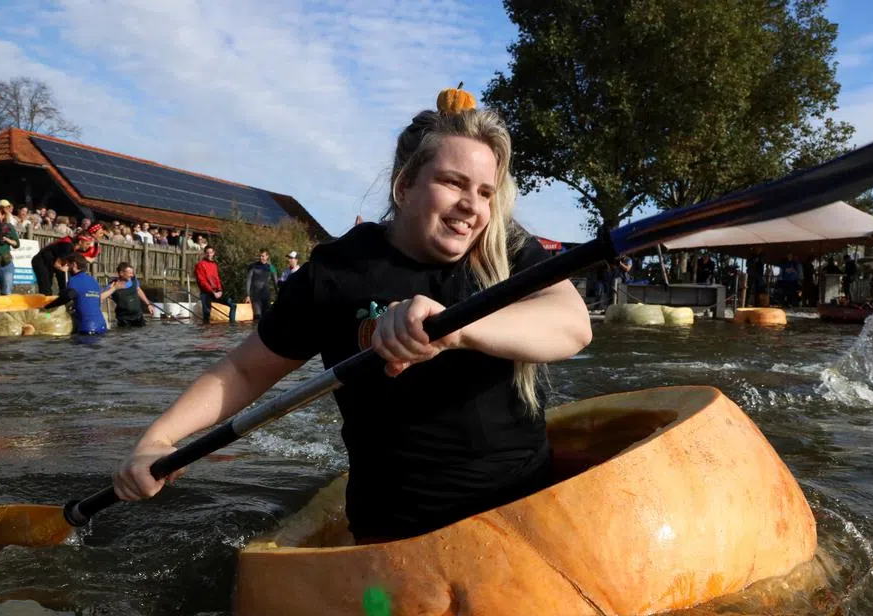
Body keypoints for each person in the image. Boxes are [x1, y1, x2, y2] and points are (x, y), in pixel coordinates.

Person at [112, 88, 592, 543]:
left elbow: (573, 325)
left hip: (529, 497)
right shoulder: (337, 271)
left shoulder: (505, 247)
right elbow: (243, 369)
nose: (473, 206)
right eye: (453, 182)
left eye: (487, 192)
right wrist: (159, 437)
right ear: (405, 186)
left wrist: (457, 330)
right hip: (401, 524)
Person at [42, 253, 107, 335]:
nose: (67, 269)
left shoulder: (75, 280)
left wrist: (47, 307)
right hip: (102, 326)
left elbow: (66, 297)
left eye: (68, 266)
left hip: (87, 329)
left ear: (74, 264)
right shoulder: (93, 281)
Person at [31, 225, 101, 295]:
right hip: (41, 261)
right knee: (46, 287)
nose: (88, 247)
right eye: (87, 244)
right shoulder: (67, 245)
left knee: (63, 282)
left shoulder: (76, 248)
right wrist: (66, 269)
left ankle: (62, 297)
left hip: (50, 262)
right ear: (80, 242)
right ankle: (45, 303)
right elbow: (57, 265)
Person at [102, 261, 156, 327]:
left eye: (132, 273)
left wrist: (148, 304)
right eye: (129, 273)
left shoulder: (134, 281)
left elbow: (139, 291)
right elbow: (101, 297)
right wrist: (114, 288)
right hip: (124, 320)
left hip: (138, 317)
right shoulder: (113, 285)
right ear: (121, 273)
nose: (132, 275)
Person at [194, 245, 235, 323]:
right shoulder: (200, 265)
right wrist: (213, 292)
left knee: (233, 305)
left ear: (213, 253)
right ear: (204, 254)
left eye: (211, 252)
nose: (209, 254)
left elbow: (217, 279)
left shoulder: (214, 265)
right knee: (207, 313)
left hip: (216, 292)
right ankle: (205, 331)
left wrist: (220, 290)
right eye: (207, 253)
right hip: (206, 293)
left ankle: (232, 328)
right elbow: (202, 282)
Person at [0, 200, 20, 296]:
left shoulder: (9, 227)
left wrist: (7, 239)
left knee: (7, 291)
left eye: (1, 214)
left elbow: (17, 244)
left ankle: (6, 311)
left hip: (5, 262)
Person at [244, 248, 278, 320]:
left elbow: (276, 283)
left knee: (267, 318)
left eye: (262, 256)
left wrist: (279, 295)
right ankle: (255, 331)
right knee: (257, 317)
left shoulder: (271, 267)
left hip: (266, 296)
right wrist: (247, 295)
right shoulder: (253, 266)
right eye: (260, 256)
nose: (261, 258)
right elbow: (248, 281)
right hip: (256, 296)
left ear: (267, 256)